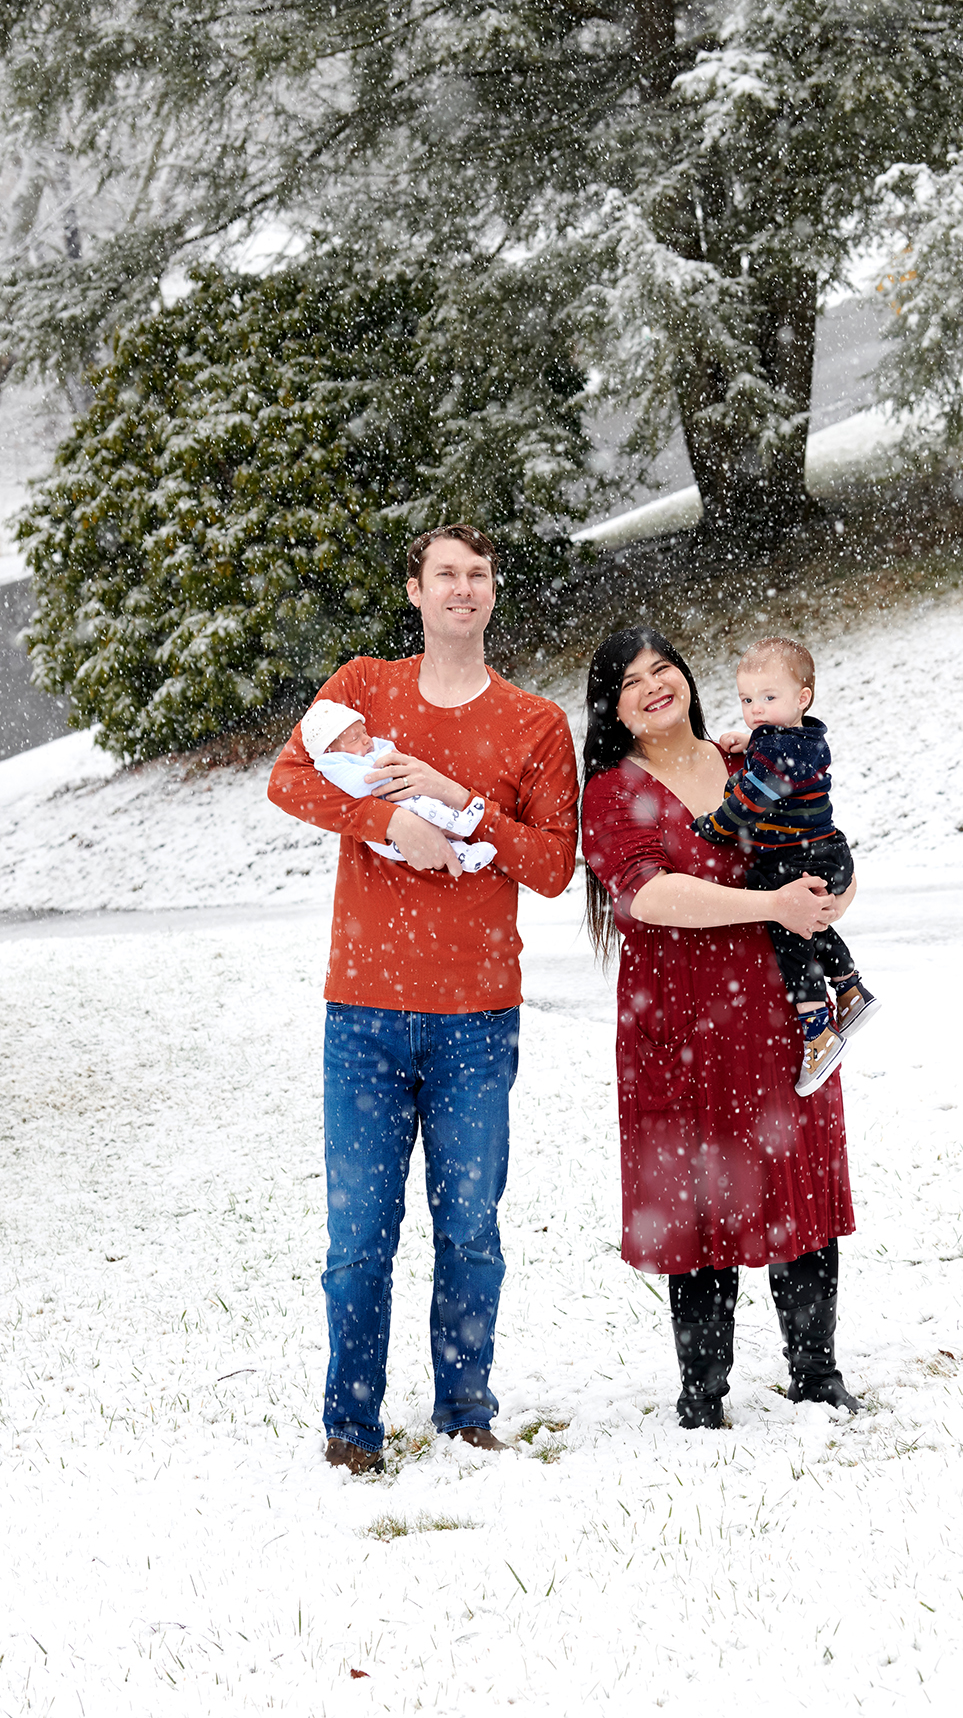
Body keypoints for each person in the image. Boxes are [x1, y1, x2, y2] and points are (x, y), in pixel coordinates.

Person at [268, 523, 578, 1471]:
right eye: (445, 573)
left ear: (492, 591)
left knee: (470, 1226)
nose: (463, 588)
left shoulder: (533, 724)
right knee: (359, 1236)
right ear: (414, 590)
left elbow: (555, 866)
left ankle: (465, 1410)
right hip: (362, 1007)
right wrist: (392, 817)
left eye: (478, 574)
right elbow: (288, 780)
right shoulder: (365, 686)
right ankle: (351, 1428)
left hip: (478, 1014)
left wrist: (465, 800)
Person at [580, 627, 862, 1429]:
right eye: (631, 681)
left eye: (662, 668)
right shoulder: (609, 791)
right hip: (678, 1020)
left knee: (796, 1178)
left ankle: (816, 1374)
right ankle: (702, 1397)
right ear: (614, 707)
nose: (652, 686)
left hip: (781, 1007)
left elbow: (818, 836)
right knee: (697, 1198)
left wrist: (835, 893)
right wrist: (770, 905)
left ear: (688, 679)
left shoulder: (752, 759)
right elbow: (648, 894)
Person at [692, 636, 879, 1097]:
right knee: (813, 924)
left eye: (768, 698)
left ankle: (818, 1032)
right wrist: (749, 740)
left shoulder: (779, 753)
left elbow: (750, 800)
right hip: (827, 850)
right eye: (746, 699)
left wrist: (713, 827)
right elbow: (771, 751)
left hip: (797, 860)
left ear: (802, 698)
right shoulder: (802, 738)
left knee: (790, 932)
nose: (755, 708)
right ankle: (851, 990)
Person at [300, 698, 497, 872]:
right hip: (388, 826)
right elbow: (363, 783)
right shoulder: (332, 764)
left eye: (364, 731)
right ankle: (460, 823)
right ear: (330, 749)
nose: (367, 739)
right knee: (420, 806)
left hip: (397, 800)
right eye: (355, 738)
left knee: (431, 820)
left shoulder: (370, 748)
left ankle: (468, 856)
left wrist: (393, 763)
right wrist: (388, 774)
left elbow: (392, 752)